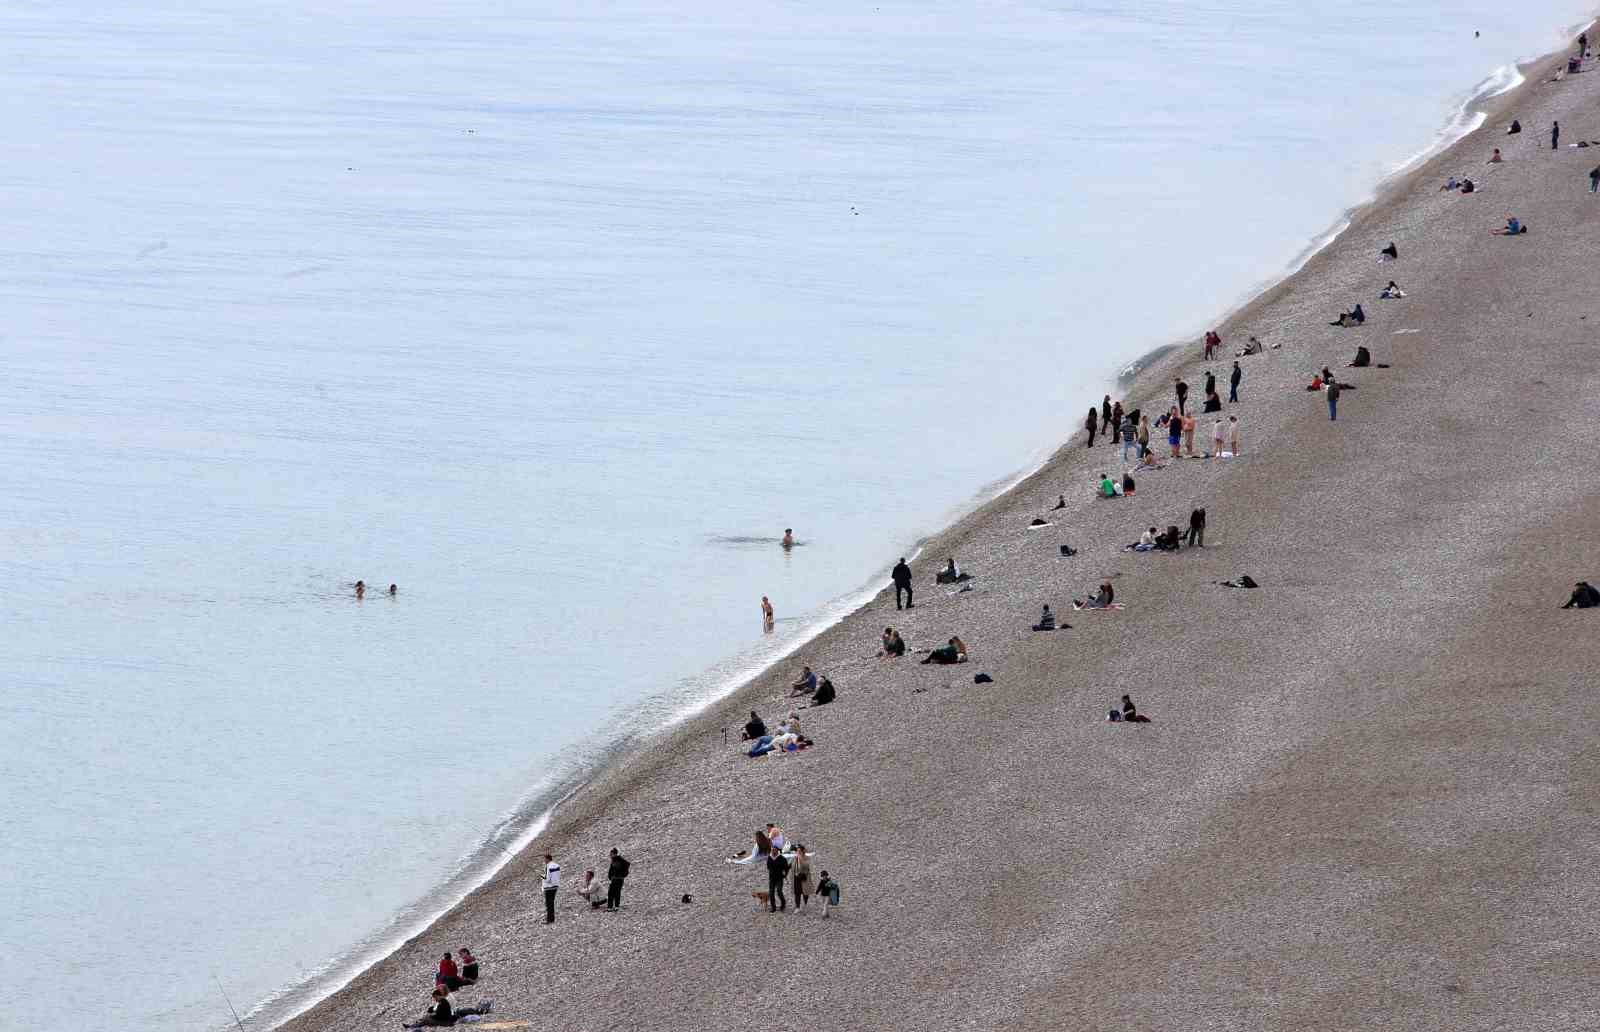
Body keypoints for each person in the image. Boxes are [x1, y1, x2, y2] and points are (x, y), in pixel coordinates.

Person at [405, 986, 492, 1028]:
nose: (434, 999)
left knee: (426, 1019)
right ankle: (414, 1025)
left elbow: (441, 1015)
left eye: (435, 997)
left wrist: (432, 1015)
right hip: (447, 1018)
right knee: (426, 1019)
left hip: (446, 1021)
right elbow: (440, 1012)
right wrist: (433, 1014)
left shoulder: (443, 1002)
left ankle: (412, 1026)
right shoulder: (443, 1001)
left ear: (438, 996)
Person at [765, 846, 790, 912]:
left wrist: (784, 875)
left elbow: (786, 868)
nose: (773, 851)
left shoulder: (782, 858)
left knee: (779, 891)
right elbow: (768, 867)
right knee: (771, 892)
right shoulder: (769, 858)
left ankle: (783, 903)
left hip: (779, 878)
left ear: (777, 851)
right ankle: (773, 907)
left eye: (774, 850)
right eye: (772, 850)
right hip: (772, 878)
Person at [792, 845, 813, 910]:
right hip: (796, 877)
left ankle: (805, 903)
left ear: (803, 851)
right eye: (797, 851)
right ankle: (797, 907)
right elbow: (791, 866)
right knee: (797, 893)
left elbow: (806, 866)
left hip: (804, 877)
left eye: (799, 851)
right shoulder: (795, 858)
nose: (798, 852)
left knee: (805, 892)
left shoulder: (806, 857)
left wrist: (800, 859)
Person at [541, 853, 561, 924]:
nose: (544, 860)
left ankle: (549, 920)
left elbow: (547, 879)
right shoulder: (557, 865)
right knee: (551, 902)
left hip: (549, 887)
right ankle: (552, 919)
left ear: (547, 859)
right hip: (556, 886)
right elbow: (557, 875)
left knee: (549, 904)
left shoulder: (548, 866)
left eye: (544, 859)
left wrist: (541, 876)